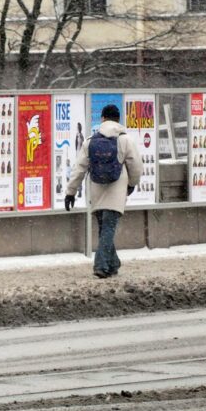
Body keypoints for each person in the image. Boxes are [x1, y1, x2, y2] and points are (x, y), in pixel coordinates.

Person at [64, 104, 142, 279]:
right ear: (118, 119)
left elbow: (79, 168)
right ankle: (100, 265)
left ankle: (113, 263)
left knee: (104, 229)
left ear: (102, 119)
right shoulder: (125, 140)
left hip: (96, 191)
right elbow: (136, 166)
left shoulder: (90, 141)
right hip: (116, 192)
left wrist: (70, 192)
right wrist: (131, 184)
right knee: (108, 229)